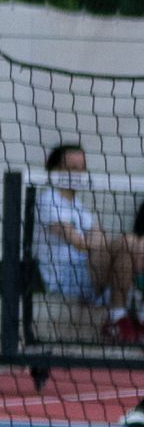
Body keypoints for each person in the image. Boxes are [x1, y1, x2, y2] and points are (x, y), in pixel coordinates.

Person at [33, 143, 144, 345]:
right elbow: (79, 243)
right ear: (55, 170)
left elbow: (97, 240)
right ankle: (134, 315)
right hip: (65, 278)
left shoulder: (79, 206)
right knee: (128, 243)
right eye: (71, 168)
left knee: (129, 250)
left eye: (81, 168)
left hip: (90, 272)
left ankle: (119, 319)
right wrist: (92, 241)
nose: (77, 174)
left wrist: (92, 242)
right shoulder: (48, 199)